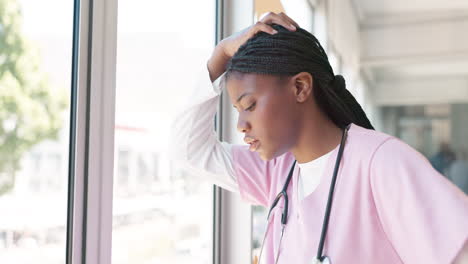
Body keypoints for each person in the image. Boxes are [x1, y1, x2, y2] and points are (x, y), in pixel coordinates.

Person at [169, 12, 468, 264]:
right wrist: (220, 55)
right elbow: (187, 150)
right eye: (237, 110)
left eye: (249, 106)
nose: (241, 125)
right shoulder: (278, 173)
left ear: (300, 87)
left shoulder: (380, 162)